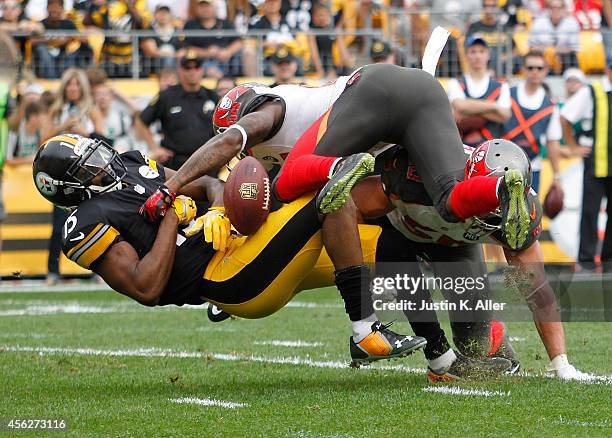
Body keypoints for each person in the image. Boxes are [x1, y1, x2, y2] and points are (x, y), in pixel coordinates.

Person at [32, 133, 431, 367]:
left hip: (244, 246)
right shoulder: (85, 222)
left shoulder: (131, 165)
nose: (104, 165)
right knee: (325, 193)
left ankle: (444, 358)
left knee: (392, 245)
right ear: (68, 188)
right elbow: (146, 288)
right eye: (89, 169)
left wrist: (221, 209)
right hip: (230, 279)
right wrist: (172, 216)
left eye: (97, 155)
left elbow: (204, 184)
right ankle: (365, 332)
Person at [351, 140, 590, 380]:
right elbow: (349, 208)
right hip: (395, 228)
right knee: (398, 266)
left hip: (454, 244)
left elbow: (537, 289)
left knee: (474, 342)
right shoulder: (414, 177)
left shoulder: (520, 212)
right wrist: (368, 271)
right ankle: (438, 357)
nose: (493, 212)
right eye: (489, 201)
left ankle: (494, 337)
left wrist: (561, 365)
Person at [40, 68, 103, 285]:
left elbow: (103, 140)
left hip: (86, 175)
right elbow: (44, 141)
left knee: (96, 221)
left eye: (77, 84)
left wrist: (85, 134)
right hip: (62, 174)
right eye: (70, 84)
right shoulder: (56, 111)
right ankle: (52, 270)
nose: (73, 88)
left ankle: (100, 270)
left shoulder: (91, 109)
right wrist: (63, 128)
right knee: (58, 225)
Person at [561, 63, 612, 272]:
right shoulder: (592, 91)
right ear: (608, 69)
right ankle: (586, 261)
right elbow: (565, 117)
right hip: (597, 163)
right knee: (590, 212)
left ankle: (609, 261)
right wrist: (573, 146)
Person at [135, 52, 218, 170]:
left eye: (196, 67)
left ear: (202, 70)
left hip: (208, 163)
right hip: (176, 164)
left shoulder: (212, 97)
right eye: (187, 68)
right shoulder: (166, 96)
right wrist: (155, 148)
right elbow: (142, 121)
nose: (192, 71)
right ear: (180, 70)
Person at [502, 50, 562, 194]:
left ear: (546, 70)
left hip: (532, 167)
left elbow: (552, 142)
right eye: (530, 68)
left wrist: (557, 176)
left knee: (530, 214)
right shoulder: (507, 94)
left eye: (539, 68)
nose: (535, 72)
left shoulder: (550, 106)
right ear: (523, 69)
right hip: (502, 165)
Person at [447, 36, 512, 148]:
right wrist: (494, 106)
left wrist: (469, 109)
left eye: (481, 51)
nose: (477, 56)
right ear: (466, 55)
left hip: (492, 151)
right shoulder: (455, 82)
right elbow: (460, 106)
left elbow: (505, 115)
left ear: (488, 55)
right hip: (462, 150)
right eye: (473, 51)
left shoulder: (501, 85)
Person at [83, 0, 151, 78]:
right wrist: (91, 5)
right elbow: (89, 22)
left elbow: (141, 23)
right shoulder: (110, 7)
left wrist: (129, 6)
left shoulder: (141, 8)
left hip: (131, 58)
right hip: (111, 57)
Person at [182, 0, 243, 78]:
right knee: (211, 70)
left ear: (214, 7)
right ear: (197, 8)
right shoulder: (190, 25)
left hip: (227, 61)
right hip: (202, 63)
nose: (205, 9)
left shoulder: (225, 23)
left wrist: (228, 51)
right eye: (201, 6)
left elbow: (239, 41)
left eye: (207, 6)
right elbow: (185, 47)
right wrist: (207, 53)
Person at [30, 0, 86, 79]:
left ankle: (65, 78)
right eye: (51, 7)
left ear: (62, 9)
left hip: (64, 55)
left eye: (57, 7)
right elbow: (32, 41)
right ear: (47, 8)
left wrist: (68, 38)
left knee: (71, 52)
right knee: (41, 49)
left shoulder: (68, 24)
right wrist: (52, 40)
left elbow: (84, 39)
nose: (54, 10)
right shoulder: (41, 24)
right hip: (46, 58)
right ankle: (51, 78)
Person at [528, 0, 580, 72]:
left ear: (564, 8)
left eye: (559, 7)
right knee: (533, 59)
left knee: (571, 58)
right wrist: (549, 52)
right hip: (543, 56)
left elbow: (573, 48)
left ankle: (571, 80)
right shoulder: (538, 22)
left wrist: (554, 51)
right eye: (552, 7)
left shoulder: (571, 22)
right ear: (547, 9)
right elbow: (532, 46)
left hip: (564, 57)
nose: (555, 10)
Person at [140, 4, 182, 75]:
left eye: (166, 13)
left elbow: (184, 48)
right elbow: (151, 51)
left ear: (170, 15)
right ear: (155, 15)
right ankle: (167, 77)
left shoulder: (177, 30)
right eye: (160, 13)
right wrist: (172, 54)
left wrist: (178, 54)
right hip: (155, 66)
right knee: (168, 58)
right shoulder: (149, 30)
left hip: (175, 64)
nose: (163, 15)